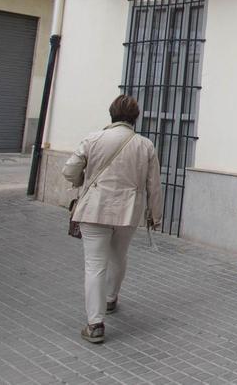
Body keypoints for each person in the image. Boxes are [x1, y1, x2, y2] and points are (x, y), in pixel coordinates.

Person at [63, 94, 163, 344]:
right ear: (135, 117)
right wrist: (155, 215)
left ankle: (95, 324)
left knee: (95, 265)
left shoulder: (93, 138)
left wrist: (80, 181)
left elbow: (69, 170)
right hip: (128, 212)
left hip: (94, 209)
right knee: (119, 257)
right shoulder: (145, 145)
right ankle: (110, 298)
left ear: (112, 114)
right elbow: (154, 185)